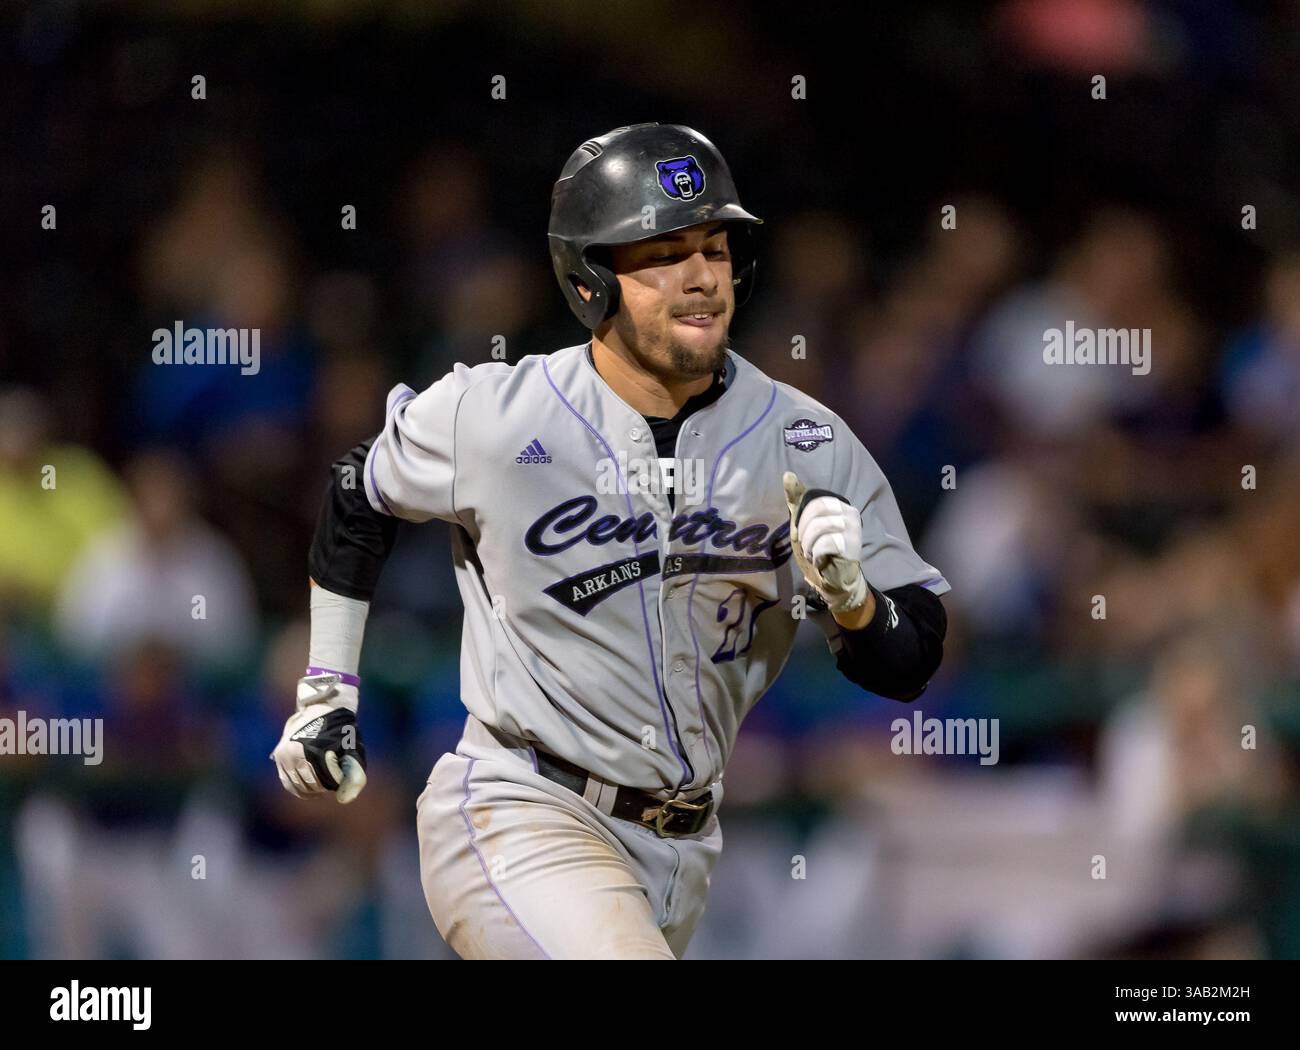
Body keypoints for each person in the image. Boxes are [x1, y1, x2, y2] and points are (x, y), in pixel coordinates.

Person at [273, 124, 950, 959]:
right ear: (591, 279)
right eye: (663, 252)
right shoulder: (500, 415)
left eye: (715, 246)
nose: (702, 275)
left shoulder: (805, 441)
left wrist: (853, 603)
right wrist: (328, 690)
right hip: (521, 805)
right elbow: (358, 491)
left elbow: (910, 656)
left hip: (685, 846)